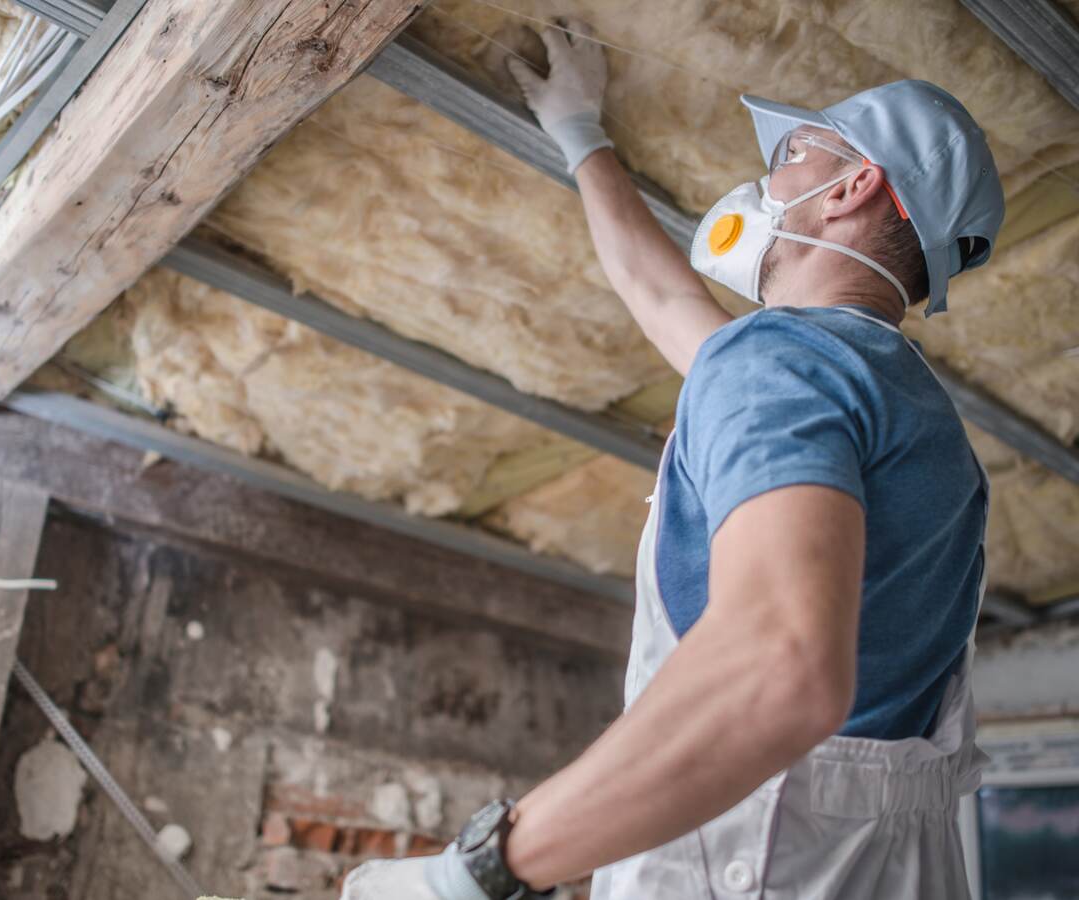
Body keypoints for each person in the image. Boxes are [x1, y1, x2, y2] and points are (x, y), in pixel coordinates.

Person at [342, 15, 1004, 900]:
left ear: (852, 188)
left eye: (796, 153)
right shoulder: (920, 427)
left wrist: (473, 874)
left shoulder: (781, 361)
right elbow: (659, 296)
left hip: (756, 859)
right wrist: (581, 135)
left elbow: (779, 671)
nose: (766, 177)